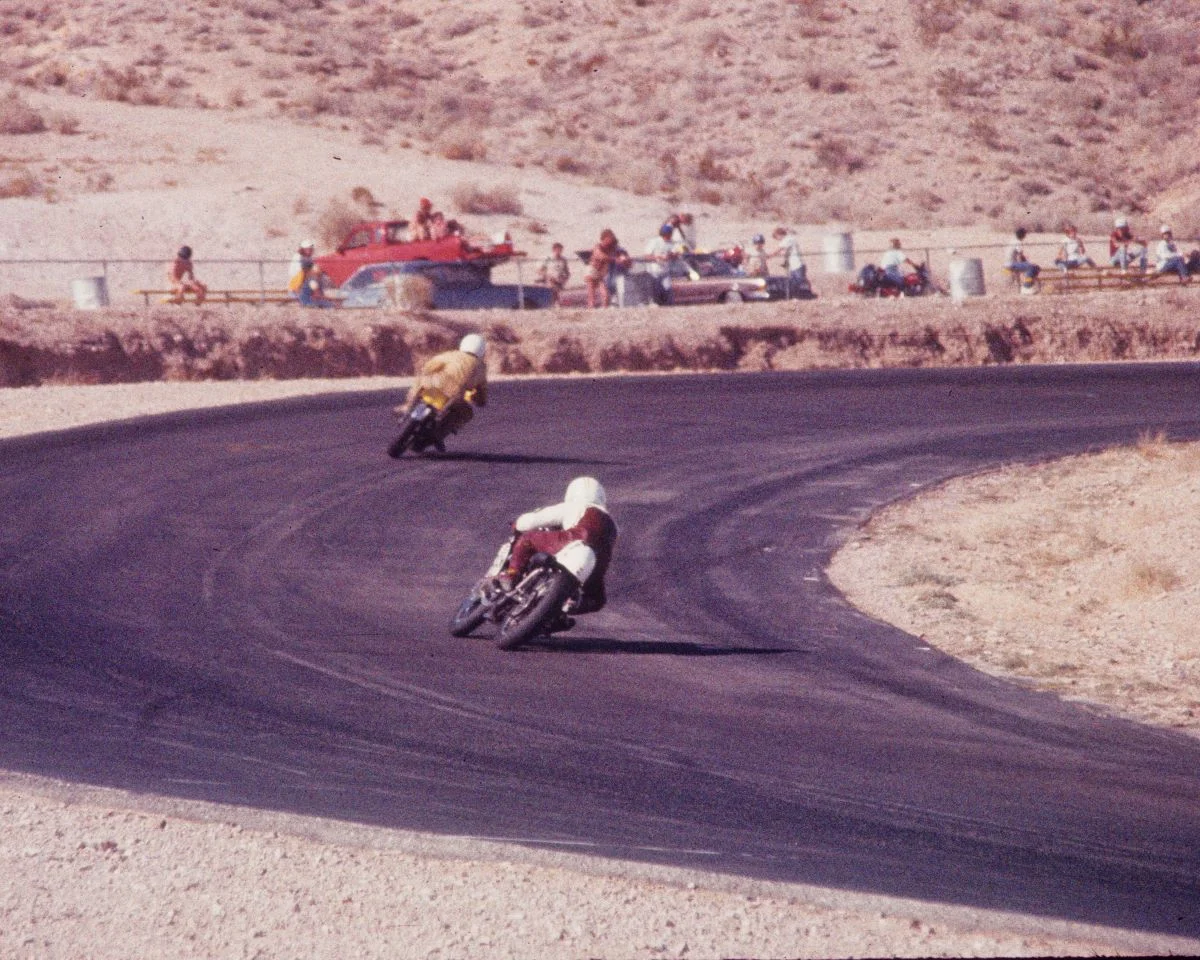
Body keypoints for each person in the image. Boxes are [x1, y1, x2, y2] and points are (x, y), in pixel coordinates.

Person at [497, 476, 618, 623]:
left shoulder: (578, 505)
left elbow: (531, 521)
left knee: (527, 539)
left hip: (575, 539)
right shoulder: (613, 524)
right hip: (599, 560)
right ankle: (563, 609)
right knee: (597, 600)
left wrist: (518, 524)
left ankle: (512, 573)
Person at [396, 333, 488, 451]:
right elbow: (481, 394)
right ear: (482, 351)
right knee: (466, 412)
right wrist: (479, 399)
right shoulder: (480, 367)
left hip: (431, 386)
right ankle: (438, 435)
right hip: (453, 395)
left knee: (419, 383)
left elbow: (428, 367)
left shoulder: (449, 355)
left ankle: (407, 406)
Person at [644, 223, 681, 304]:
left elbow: (675, 254)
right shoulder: (654, 242)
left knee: (668, 290)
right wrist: (658, 257)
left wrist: (672, 255)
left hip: (665, 271)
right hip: (653, 272)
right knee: (656, 291)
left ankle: (669, 307)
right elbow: (647, 256)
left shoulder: (672, 243)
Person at [586, 228, 622, 308]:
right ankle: (591, 310)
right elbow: (601, 256)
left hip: (601, 272)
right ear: (604, 238)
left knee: (605, 295)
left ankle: (604, 310)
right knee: (591, 295)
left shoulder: (611, 248)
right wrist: (615, 259)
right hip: (592, 270)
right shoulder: (598, 247)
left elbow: (617, 254)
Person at [772, 226, 809, 293]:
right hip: (793, 266)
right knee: (793, 282)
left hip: (798, 265)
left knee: (800, 282)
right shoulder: (789, 238)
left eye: (777, 238)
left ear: (779, 235)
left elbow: (779, 249)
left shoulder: (788, 239)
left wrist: (770, 256)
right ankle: (796, 295)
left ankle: (805, 294)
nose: (778, 240)